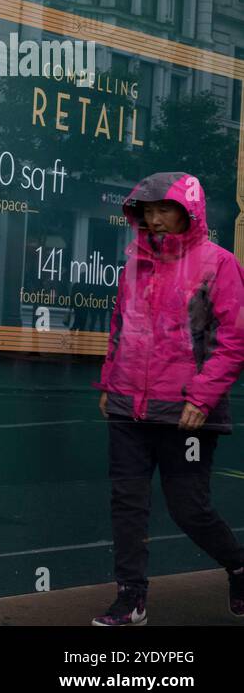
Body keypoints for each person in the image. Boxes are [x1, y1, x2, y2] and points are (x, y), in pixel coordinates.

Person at [92, 172, 244, 626]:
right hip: (127, 405)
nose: (154, 219)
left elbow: (235, 339)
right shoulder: (133, 265)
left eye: (164, 210)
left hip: (186, 411)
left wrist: (202, 397)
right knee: (127, 504)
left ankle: (238, 566)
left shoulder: (218, 263)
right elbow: (120, 327)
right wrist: (109, 382)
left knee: (189, 508)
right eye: (148, 211)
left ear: (189, 212)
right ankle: (131, 598)